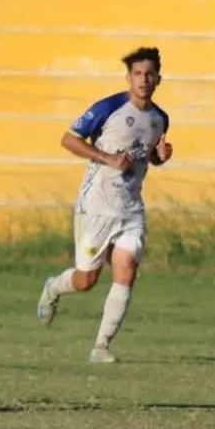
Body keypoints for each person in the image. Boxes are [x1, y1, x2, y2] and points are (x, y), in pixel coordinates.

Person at [35, 46, 174, 363]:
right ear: (129, 78)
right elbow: (69, 139)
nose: (143, 79)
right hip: (96, 206)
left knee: (127, 270)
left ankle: (101, 347)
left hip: (130, 209)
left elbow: (149, 155)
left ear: (158, 79)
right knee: (86, 280)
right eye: (137, 74)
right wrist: (106, 158)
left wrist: (160, 157)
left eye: (149, 74)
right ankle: (55, 288)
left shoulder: (159, 118)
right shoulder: (109, 107)